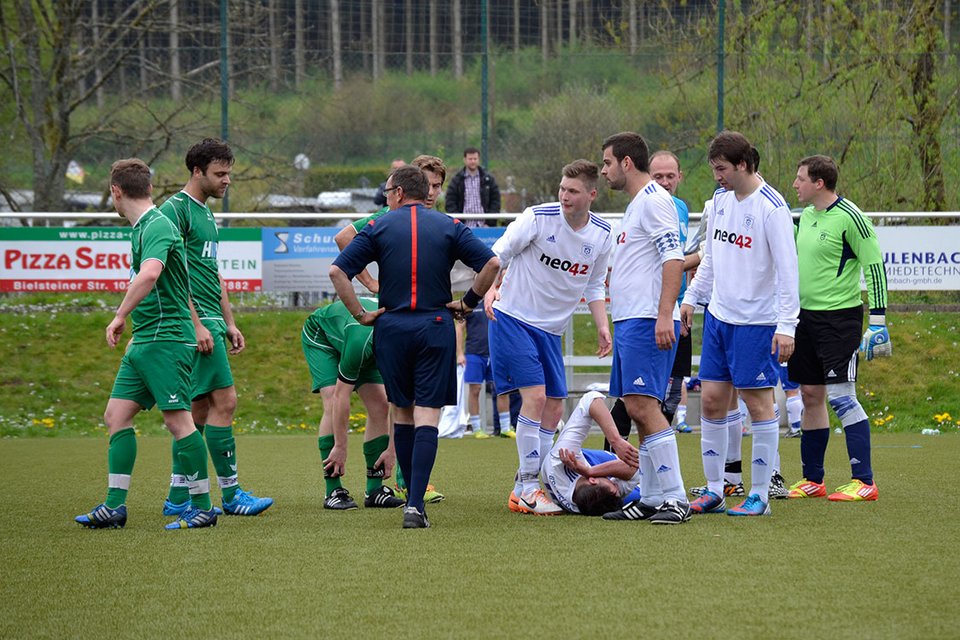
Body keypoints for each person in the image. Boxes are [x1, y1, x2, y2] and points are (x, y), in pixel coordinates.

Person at [330, 166, 500, 529]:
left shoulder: (379, 226)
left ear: (400, 192)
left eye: (388, 191)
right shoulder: (448, 225)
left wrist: (361, 314)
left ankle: (411, 499)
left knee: (403, 413)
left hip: (391, 328)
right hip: (434, 326)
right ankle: (415, 506)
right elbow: (492, 263)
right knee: (427, 416)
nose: (385, 197)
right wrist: (468, 303)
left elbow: (337, 272)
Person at [75, 159, 217, 530]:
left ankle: (203, 507)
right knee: (115, 416)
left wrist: (120, 314)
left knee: (179, 422)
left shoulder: (157, 226)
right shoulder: (143, 228)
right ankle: (114, 507)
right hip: (146, 339)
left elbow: (150, 274)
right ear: (149, 188)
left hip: (167, 339)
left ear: (116, 192)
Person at [483, 160, 613, 516]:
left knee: (555, 405)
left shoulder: (602, 234)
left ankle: (526, 483)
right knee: (536, 398)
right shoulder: (537, 218)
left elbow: (594, 283)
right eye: (561, 188)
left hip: (551, 330)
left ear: (591, 194)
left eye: (572, 191)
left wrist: (603, 324)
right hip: (513, 318)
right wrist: (490, 288)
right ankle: (527, 486)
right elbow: (498, 254)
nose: (564, 196)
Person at [680, 130, 799, 517]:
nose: (717, 176)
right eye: (715, 169)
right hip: (718, 318)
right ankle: (716, 489)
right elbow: (709, 259)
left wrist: (787, 325)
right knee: (712, 402)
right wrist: (691, 297)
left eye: (722, 169)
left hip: (757, 323)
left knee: (758, 405)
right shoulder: (718, 202)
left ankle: (761, 494)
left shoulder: (771, 207)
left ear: (744, 165)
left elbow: (787, 271)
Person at [158, 139, 273, 518]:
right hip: (193, 321)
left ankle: (178, 496)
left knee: (199, 410)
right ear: (197, 171)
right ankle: (232, 493)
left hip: (210, 319)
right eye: (220, 174)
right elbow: (173, 274)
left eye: (229, 173)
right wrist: (196, 324)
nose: (227, 181)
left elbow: (213, 272)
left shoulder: (206, 214)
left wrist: (230, 321)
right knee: (226, 402)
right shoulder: (175, 211)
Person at [334, 155, 449, 504]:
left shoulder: (434, 221)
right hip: (393, 320)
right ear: (408, 187)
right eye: (427, 184)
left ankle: (407, 479)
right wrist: (370, 282)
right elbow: (343, 237)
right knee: (401, 402)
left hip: (419, 319)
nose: (432, 192)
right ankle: (403, 480)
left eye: (438, 186)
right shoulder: (387, 218)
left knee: (406, 403)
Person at [786, 154, 889, 501]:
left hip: (839, 321)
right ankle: (813, 479)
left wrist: (878, 322)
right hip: (804, 320)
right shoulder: (803, 219)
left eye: (800, 179)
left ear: (818, 183)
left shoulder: (852, 218)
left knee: (843, 398)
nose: (795, 185)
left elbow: (875, 267)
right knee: (810, 396)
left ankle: (864, 481)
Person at [600, 132, 688, 525]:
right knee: (636, 408)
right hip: (629, 320)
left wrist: (664, 314)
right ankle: (652, 497)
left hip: (645, 320)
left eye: (606, 163)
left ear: (626, 163)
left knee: (644, 405)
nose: (603, 171)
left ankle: (676, 497)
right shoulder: (639, 205)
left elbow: (674, 258)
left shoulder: (655, 201)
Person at [301, 298, 405, 511]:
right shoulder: (361, 340)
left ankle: (374, 490)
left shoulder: (404, 344)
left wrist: (392, 450)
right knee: (331, 402)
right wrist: (340, 446)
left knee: (381, 405)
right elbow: (341, 397)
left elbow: (401, 402)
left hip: (369, 343)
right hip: (323, 338)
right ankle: (333, 489)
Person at [541, 390, 641, 516]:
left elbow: (591, 399)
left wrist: (616, 440)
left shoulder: (560, 458)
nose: (616, 485)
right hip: (592, 474)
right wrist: (589, 472)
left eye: (613, 484)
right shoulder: (600, 499)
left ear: (593, 480)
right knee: (649, 497)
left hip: (594, 461)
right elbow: (636, 467)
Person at [455, 306, 514, 438]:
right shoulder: (470, 302)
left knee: (502, 389)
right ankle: (476, 428)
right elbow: (459, 327)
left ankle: (505, 427)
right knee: (475, 389)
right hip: (474, 353)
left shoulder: (499, 301)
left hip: (496, 353)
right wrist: (459, 353)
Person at [445, 147, 501, 227]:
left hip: (485, 227)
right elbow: (450, 202)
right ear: (464, 159)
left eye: (475, 159)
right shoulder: (457, 180)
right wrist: (458, 223)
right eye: (470, 159)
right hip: (463, 227)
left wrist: (489, 223)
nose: (473, 161)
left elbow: (495, 201)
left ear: (479, 159)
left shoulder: (488, 179)